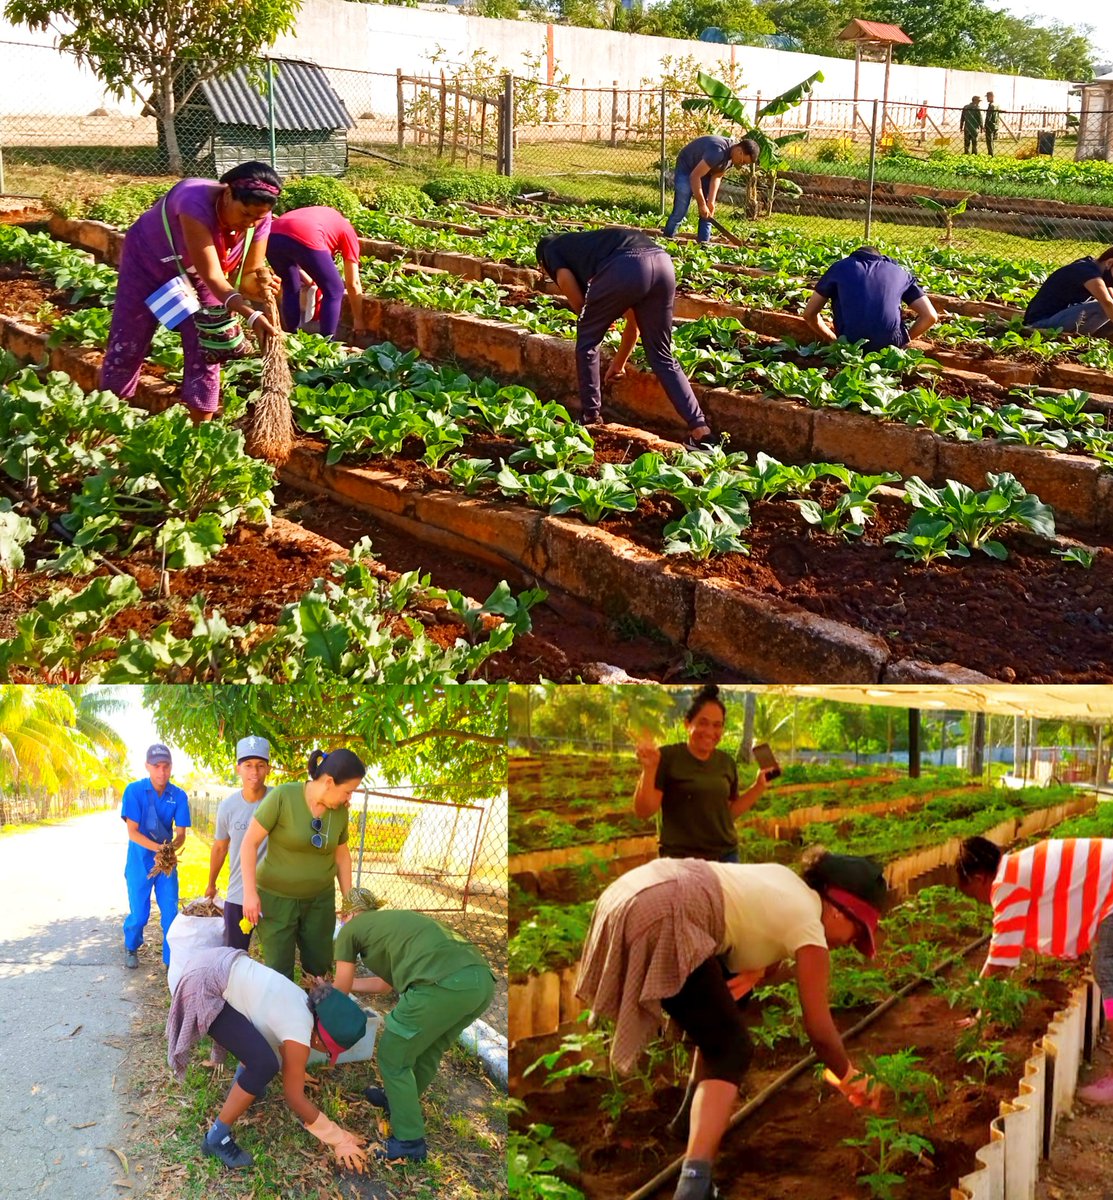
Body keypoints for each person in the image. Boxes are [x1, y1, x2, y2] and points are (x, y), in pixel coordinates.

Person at [576, 847, 887, 1200]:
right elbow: (819, 1028)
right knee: (732, 1049)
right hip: (667, 909)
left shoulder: (786, 883)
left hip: (635, 891)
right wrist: (850, 1077)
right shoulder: (808, 922)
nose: (849, 943)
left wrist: (757, 973)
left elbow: (756, 935)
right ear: (836, 909)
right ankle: (694, 1187)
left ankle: (686, 1124)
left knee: (731, 1003)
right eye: (856, 931)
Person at [99, 161, 283, 424]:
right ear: (228, 193)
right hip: (148, 260)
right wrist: (250, 316)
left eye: (258, 217)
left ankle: (200, 434)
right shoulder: (193, 202)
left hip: (197, 271)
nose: (249, 223)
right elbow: (213, 277)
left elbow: (248, 277)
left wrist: (263, 283)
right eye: (245, 214)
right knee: (128, 338)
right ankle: (107, 421)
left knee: (208, 343)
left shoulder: (258, 220)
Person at [166, 945, 369, 1171]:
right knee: (263, 1064)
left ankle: (246, 1088)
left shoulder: (303, 1002)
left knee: (259, 1055)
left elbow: (275, 1032)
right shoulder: (300, 1028)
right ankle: (216, 1138)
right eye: (329, 1051)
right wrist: (339, 1138)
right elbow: (294, 1098)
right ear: (321, 1040)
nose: (325, 1054)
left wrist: (296, 1072)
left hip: (215, 963)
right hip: (205, 984)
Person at [326, 893, 496, 1163]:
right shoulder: (390, 925)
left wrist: (325, 993)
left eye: (343, 917)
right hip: (480, 982)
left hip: (441, 984)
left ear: (348, 915)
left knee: (392, 1055)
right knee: (428, 1049)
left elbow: (341, 986)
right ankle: (398, 1100)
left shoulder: (352, 930)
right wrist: (345, 984)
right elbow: (383, 986)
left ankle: (408, 1142)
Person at [956, 835, 1113, 1105]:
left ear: (980, 878)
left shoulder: (1007, 883)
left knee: (1107, 971)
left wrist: (980, 1012)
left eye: (973, 894)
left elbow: (1000, 959)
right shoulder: (1017, 866)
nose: (981, 901)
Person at [536, 228, 714, 447]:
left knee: (587, 342)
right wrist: (618, 364)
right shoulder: (590, 245)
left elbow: (575, 299)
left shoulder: (552, 250)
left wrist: (596, 314)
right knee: (661, 355)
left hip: (625, 268)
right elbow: (633, 322)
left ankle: (590, 418)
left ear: (541, 263)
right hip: (662, 264)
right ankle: (700, 431)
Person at [240, 748, 364, 981]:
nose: (349, 798)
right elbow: (249, 843)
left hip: (319, 902)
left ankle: (317, 1016)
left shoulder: (339, 812)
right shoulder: (284, 796)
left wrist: (350, 901)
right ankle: (280, 1016)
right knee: (278, 971)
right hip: (276, 899)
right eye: (348, 791)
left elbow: (342, 856)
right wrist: (249, 892)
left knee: (319, 970)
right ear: (329, 782)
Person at [633, 684, 771, 863]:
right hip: (680, 860)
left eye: (717, 725)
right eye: (703, 723)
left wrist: (758, 787)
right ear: (687, 724)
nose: (710, 732)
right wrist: (649, 769)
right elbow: (644, 811)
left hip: (725, 856)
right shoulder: (667, 757)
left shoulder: (726, 762)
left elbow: (727, 814)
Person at [121, 743, 191, 970]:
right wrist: (158, 848)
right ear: (147, 767)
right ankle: (131, 945)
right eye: (157, 766)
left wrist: (170, 849)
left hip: (166, 864)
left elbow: (181, 834)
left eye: (166, 766)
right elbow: (132, 832)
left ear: (171, 767)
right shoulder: (134, 791)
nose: (162, 771)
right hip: (140, 861)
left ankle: (171, 962)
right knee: (140, 914)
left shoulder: (178, 796)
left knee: (171, 911)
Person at [802, 246, 938, 353]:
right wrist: (904, 341)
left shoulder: (839, 267)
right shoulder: (900, 272)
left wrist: (834, 341)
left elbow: (809, 314)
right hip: (890, 346)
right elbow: (930, 316)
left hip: (851, 344)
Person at [266, 205, 366, 339]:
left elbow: (294, 249)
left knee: (290, 286)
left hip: (272, 235)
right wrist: (358, 319)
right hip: (306, 234)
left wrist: (309, 278)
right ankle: (327, 344)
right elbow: (353, 283)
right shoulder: (347, 230)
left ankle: (292, 337)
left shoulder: (324, 217)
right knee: (334, 290)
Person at [663, 136, 759, 244]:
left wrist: (710, 202)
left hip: (704, 171)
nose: (741, 164)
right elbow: (694, 176)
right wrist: (701, 204)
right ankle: (667, 239)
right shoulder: (718, 151)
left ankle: (704, 244)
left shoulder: (731, 158)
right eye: (743, 161)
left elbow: (717, 177)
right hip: (687, 167)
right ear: (739, 151)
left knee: (708, 211)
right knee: (681, 207)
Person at [1023, 247, 1113, 335]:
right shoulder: (1087, 271)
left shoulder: (1096, 268)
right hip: (1041, 323)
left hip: (1061, 319)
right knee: (1103, 307)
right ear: (1109, 263)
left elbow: (1111, 296)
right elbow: (1108, 303)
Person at [984, 92, 1000, 156]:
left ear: (991, 96)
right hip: (995, 124)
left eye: (988, 97)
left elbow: (989, 116)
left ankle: (990, 154)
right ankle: (992, 153)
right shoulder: (997, 105)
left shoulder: (991, 105)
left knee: (989, 141)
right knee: (992, 140)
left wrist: (985, 125)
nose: (987, 98)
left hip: (990, 125)